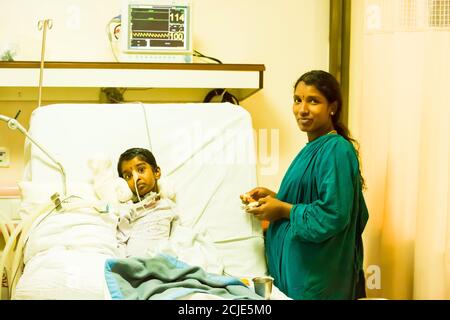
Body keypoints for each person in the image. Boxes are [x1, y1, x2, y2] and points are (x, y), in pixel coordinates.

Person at [241, 70, 369, 300]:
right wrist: (276, 197)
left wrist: (281, 209)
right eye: (297, 100)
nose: (302, 109)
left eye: (313, 101)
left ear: (332, 107)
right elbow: (312, 199)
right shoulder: (314, 148)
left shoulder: (336, 150)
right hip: (300, 275)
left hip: (318, 281)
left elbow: (333, 214)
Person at [116, 147, 178, 258]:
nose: (136, 178)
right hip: (135, 263)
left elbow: (178, 238)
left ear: (157, 172)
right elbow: (120, 241)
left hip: (163, 262)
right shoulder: (129, 209)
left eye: (141, 170)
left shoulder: (168, 206)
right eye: (128, 176)